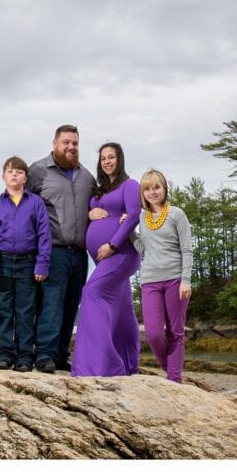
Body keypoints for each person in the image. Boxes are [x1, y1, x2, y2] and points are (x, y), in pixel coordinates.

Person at [70, 142, 142, 377]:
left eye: (111, 157)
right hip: (102, 259)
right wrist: (89, 214)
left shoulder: (130, 185)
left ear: (119, 159)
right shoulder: (100, 189)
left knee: (91, 292)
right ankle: (127, 363)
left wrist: (112, 245)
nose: (107, 161)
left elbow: (133, 216)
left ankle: (98, 365)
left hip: (121, 254)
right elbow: (88, 214)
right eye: (103, 158)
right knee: (122, 310)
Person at [27, 124, 95, 373]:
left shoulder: (86, 176)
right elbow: (23, 207)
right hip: (51, 250)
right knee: (51, 303)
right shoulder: (37, 171)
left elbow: (99, 203)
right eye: (66, 142)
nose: (71, 147)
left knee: (70, 304)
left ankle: (60, 354)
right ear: (55, 143)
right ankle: (44, 354)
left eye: (75, 143)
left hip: (79, 252)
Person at [0, 157, 52, 373]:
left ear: (25, 177)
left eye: (19, 172)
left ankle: (24, 356)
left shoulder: (35, 203)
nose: (15, 175)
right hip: (2, 262)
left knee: (25, 310)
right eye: (10, 171)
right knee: (3, 309)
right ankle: (3, 353)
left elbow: (44, 235)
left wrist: (42, 263)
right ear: (3, 176)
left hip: (28, 262)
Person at [132, 169, 193, 383]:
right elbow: (143, 248)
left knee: (175, 333)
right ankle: (171, 372)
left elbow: (187, 249)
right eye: (147, 189)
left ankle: (174, 381)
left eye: (156, 187)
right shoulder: (141, 216)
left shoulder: (177, 214)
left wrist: (186, 280)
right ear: (143, 193)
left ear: (164, 188)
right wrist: (129, 232)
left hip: (176, 279)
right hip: (150, 281)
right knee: (154, 334)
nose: (153, 192)